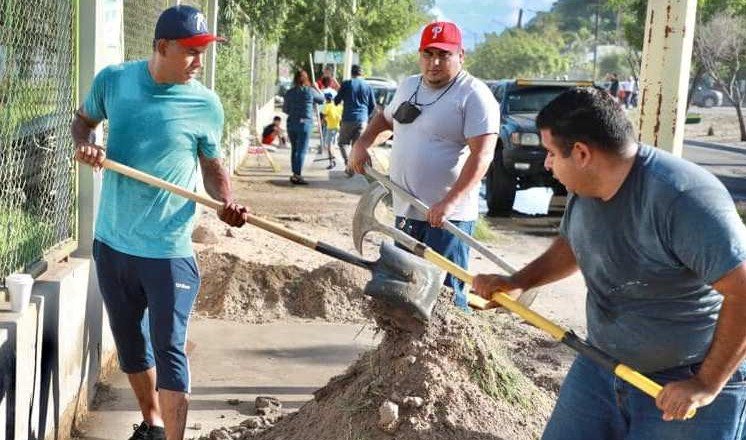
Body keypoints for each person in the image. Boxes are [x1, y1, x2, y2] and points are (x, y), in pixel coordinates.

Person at [473, 87, 746, 439]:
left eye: (552, 153)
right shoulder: (586, 189)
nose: (547, 164)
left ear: (582, 153)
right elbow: (574, 244)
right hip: (599, 365)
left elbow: (743, 290)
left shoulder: (684, 199)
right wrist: (518, 281)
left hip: (682, 382)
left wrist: (706, 384)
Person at [71, 5, 249, 440]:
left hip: (168, 249)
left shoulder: (205, 103)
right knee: (131, 346)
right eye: (191, 51)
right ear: (161, 46)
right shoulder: (114, 81)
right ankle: (151, 424)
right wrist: (86, 144)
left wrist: (226, 201)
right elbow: (82, 122)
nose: (199, 61)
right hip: (112, 242)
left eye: (203, 52)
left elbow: (212, 167)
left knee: (170, 350)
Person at [348, 21, 500, 310]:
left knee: (445, 301)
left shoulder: (474, 95)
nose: (435, 62)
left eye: (444, 55)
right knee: (405, 294)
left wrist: (450, 202)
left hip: (447, 220)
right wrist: (363, 143)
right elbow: (386, 120)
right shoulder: (409, 86)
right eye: (428, 54)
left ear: (461, 55)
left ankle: (453, 340)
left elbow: (482, 155)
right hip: (406, 212)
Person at [282, 69, 324, 185]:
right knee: (301, 150)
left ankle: (295, 173)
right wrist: (317, 88)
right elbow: (322, 100)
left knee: (294, 149)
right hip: (305, 123)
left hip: (292, 123)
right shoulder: (310, 91)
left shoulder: (289, 92)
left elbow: (285, 109)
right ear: (307, 79)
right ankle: (297, 175)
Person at [334, 64, 376, 173]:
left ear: (351, 73)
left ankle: (349, 164)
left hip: (348, 119)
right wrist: (365, 116)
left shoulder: (346, 84)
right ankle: (354, 166)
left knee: (342, 143)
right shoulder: (368, 86)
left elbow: (336, 101)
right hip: (362, 120)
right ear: (362, 74)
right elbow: (373, 106)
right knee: (356, 145)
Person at [320, 92, 343, 169]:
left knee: (329, 145)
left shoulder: (327, 106)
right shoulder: (339, 106)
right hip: (337, 127)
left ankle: (332, 161)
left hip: (331, 127)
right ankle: (333, 159)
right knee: (332, 144)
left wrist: (322, 124)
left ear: (326, 99)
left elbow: (323, 117)